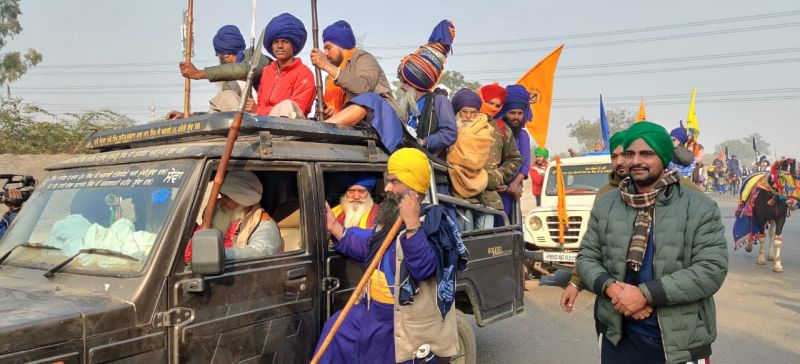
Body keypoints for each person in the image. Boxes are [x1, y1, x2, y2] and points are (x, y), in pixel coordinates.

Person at [576, 121, 728, 364]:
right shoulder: (607, 203)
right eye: (630, 153)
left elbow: (711, 270)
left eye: (646, 153)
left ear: (664, 156)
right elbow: (586, 257)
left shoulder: (698, 206)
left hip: (677, 342)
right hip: (618, 335)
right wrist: (613, 288)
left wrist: (645, 295)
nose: (636, 161)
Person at [314, 148, 467, 363]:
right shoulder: (390, 217)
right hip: (372, 311)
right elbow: (368, 247)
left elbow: (424, 269)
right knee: (337, 330)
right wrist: (335, 228)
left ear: (412, 185)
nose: (387, 188)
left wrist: (413, 225)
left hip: (400, 320)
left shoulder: (435, 222)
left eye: (394, 182)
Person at [323, 20, 457, 156]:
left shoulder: (439, 101)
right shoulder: (408, 107)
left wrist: (423, 142)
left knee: (370, 99)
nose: (401, 87)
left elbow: (450, 133)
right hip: (400, 149)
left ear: (415, 84)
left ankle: (323, 130)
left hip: (425, 159)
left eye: (405, 82)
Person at [560, 130, 627, 313]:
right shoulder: (605, 195)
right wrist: (575, 282)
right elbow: (592, 242)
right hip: (611, 291)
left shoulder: (678, 191)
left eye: (624, 154)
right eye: (614, 156)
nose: (619, 161)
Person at [185, 171, 283, 262]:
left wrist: (219, 254)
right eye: (221, 195)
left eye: (227, 197)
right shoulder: (219, 212)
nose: (221, 200)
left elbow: (261, 251)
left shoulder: (264, 224)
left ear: (243, 200)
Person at [310, 20, 395, 118]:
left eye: (328, 48)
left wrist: (327, 66)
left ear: (341, 45)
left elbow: (364, 88)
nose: (325, 53)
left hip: (381, 120)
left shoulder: (363, 58)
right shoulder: (331, 77)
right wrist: (327, 112)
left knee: (367, 99)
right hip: (346, 128)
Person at [254, 13, 316, 118]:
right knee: (228, 96)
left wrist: (260, 111)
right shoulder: (267, 71)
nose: (280, 46)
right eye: (276, 42)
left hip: (291, 127)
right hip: (264, 123)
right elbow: (261, 104)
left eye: (285, 42)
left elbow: (296, 109)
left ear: (293, 45)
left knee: (287, 105)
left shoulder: (304, 74)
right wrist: (258, 110)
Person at [494, 85, 532, 222]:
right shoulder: (495, 131)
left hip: (513, 191)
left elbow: (525, 162)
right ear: (504, 112)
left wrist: (515, 184)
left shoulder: (523, 136)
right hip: (495, 191)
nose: (516, 117)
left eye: (520, 113)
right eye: (512, 113)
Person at [447, 88, 493, 201]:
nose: (468, 116)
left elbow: (476, 160)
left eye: (473, 113)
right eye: (464, 111)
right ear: (458, 112)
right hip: (451, 187)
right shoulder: (449, 129)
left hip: (482, 191)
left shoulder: (485, 130)